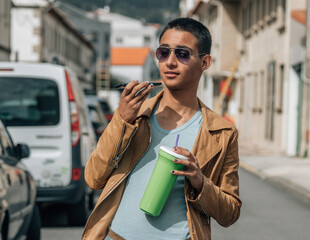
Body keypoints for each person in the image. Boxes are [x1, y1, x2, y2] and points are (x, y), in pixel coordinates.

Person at [82, 18, 241, 240]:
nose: (170, 62)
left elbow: (230, 212)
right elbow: (93, 178)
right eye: (163, 52)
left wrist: (200, 181)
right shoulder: (133, 115)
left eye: (182, 53)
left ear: (205, 62)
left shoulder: (222, 133)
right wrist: (122, 121)